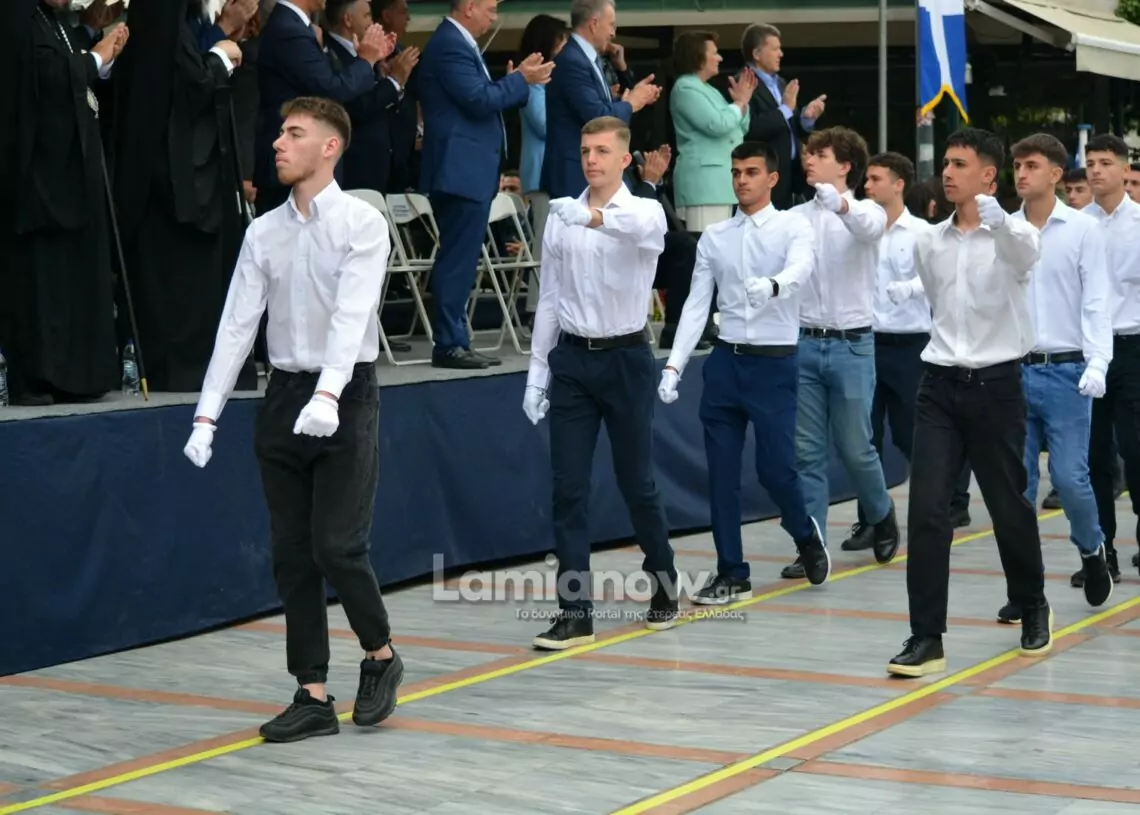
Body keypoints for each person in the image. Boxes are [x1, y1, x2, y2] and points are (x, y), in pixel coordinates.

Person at [183, 97, 403, 742]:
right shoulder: (263, 232)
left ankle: (381, 654)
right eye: (280, 131)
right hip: (282, 395)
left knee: (337, 544)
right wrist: (206, 415)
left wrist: (329, 396)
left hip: (346, 392)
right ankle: (312, 692)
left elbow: (353, 315)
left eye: (294, 133)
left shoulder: (362, 223)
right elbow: (236, 325)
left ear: (330, 147)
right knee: (291, 554)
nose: (278, 142)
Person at [886, 128, 1050, 678]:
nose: (948, 172)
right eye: (946, 163)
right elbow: (937, 303)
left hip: (996, 387)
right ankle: (925, 635)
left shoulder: (1015, 234)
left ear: (988, 175)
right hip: (938, 385)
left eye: (960, 164)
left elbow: (1024, 254)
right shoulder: (930, 241)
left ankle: (1031, 603)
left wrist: (1000, 222)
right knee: (927, 511)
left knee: (1007, 504)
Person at [524, 115, 678, 650]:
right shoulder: (562, 216)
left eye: (602, 151)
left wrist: (590, 217)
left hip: (626, 358)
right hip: (572, 359)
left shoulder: (645, 210)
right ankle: (575, 612)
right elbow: (550, 297)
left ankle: (664, 581)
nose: (591, 159)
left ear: (624, 159)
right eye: (586, 150)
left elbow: (640, 232)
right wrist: (537, 374)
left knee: (637, 482)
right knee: (568, 488)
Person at [657, 141, 830, 598]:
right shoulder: (715, 236)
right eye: (736, 172)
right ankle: (732, 571)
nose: (741, 180)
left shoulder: (792, 226)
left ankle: (805, 533)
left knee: (776, 470)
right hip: (725, 364)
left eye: (751, 172)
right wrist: (674, 365)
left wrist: (773, 285)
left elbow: (802, 268)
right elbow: (696, 303)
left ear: (772, 178)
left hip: (774, 364)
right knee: (721, 476)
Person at [112, 0, 259, 394]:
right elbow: (188, 88)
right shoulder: (163, 17)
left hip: (168, 181)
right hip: (176, 184)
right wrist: (219, 57)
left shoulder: (165, 19)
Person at [999, 134, 1113, 619]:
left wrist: (1099, 361)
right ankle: (1025, 590)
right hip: (1012, 372)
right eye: (1018, 166)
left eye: (1031, 166)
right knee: (1016, 488)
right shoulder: (1004, 228)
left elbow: (1097, 300)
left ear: (1056, 173)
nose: (1022, 174)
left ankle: (1092, 549)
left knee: (1069, 477)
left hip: (1067, 370)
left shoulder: (1084, 230)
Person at [0, 0, 127, 406]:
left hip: (68, 176)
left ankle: (77, 377)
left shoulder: (53, 21)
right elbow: (43, 79)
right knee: (40, 283)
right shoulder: (15, 16)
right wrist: (95, 58)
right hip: (35, 179)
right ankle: (38, 378)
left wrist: (96, 52)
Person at [787, 127, 900, 579]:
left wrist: (840, 204)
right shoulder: (795, 216)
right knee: (806, 453)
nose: (809, 159)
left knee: (856, 447)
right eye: (809, 153)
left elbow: (868, 227)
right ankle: (811, 545)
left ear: (845, 166)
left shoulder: (867, 209)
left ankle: (881, 512)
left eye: (821, 154)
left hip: (852, 343)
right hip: (803, 342)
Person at [416, 0, 553, 369]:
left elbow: (484, 96)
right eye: (490, 8)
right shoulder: (450, 44)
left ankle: (457, 339)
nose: (494, 17)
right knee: (457, 259)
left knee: (463, 259)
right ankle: (449, 344)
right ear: (469, 6)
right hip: (459, 168)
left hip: (468, 168)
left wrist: (517, 81)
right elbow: (478, 99)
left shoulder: (458, 43)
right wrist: (519, 80)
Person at [841, 152, 936, 553]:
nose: (867, 185)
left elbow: (938, 279)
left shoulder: (922, 233)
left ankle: (933, 511)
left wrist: (911, 288)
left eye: (876, 179)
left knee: (913, 433)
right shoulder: (859, 230)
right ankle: (873, 520)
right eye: (867, 179)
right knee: (865, 437)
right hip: (864, 342)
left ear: (899, 184)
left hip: (909, 346)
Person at [1083, 133, 1140, 582]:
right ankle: (1104, 555)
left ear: (1125, 169)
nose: (1097, 170)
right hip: (1088, 350)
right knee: (1093, 457)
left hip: (1133, 347)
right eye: (1091, 163)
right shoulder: (1075, 225)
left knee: (1136, 452)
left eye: (1105, 162)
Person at [541, 0, 659, 199]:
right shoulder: (572, 61)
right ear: (594, 23)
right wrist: (630, 104)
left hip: (592, 170)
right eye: (611, 25)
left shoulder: (587, 59)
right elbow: (597, 118)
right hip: (575, 175)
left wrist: (627, 101)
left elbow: (600, 108)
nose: (613, 33)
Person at [668, 30, 755, 232]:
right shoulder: (685, 88)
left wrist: (742, 103)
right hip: (704, 185)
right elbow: (717, 124)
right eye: (714, 53)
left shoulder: (710, 90)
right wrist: (739, 103)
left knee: (722, 245)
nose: (720, 58)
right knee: (707, 245)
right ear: (697, 55)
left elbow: (740, 127)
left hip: (720, 183)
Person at [739, 23, 825, 210]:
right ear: (757, 54)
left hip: (789, 176)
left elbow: (788, 126)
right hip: (764, 177)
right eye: (775, 49)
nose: (781, 54)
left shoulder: (781, 83)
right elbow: (749, 129)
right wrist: (785, 109)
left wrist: (806, 118)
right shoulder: (743, 83)